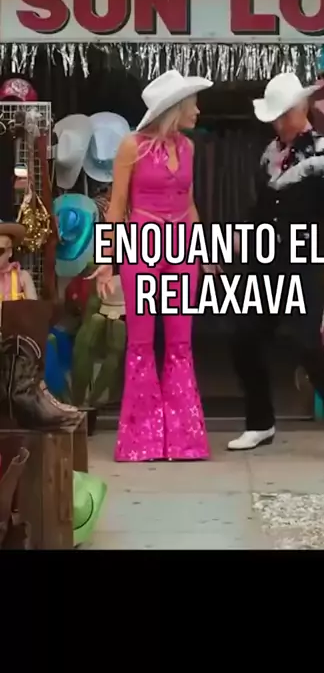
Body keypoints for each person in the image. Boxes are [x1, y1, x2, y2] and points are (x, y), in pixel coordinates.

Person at [227, 73, 324, 465]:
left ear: (300, 110)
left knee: (305, 342)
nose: (277, 125)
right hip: (264, 263)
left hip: (305, 263)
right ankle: (260, 422)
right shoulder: (270, 156)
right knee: (244, 339)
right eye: (273, 118)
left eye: (282, 116)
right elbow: (261, 210)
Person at [89, 70, 213, 462]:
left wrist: (204, 250)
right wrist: (106, 260)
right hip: (142, 244)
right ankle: (140, 441)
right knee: (141, 342)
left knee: (180, 342)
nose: (198, 110)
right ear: (175, 108)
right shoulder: (132, 146)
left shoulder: (189, 147)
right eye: (193, 104)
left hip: (182, 246)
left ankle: (184, 441)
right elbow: (116, 208)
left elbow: (189, 202)